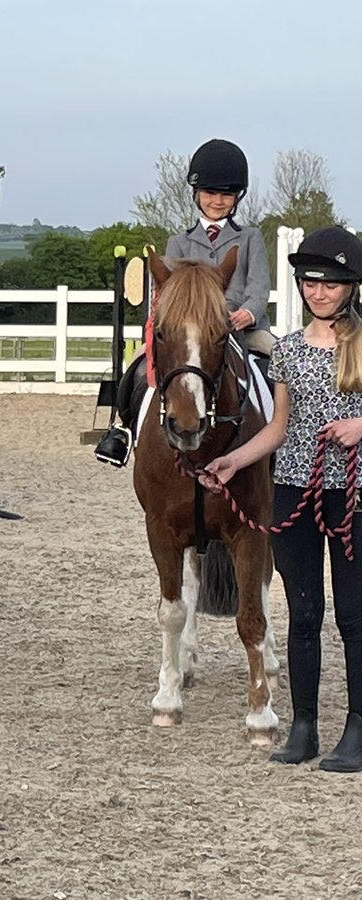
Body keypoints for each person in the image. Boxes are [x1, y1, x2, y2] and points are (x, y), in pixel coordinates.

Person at [199, 226, 362, 772]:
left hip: (353, 495)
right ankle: (305, 724)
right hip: (294, 490)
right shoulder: (288, 351)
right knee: (304, 613)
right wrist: (236, 460)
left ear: (351, 287)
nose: (320, 292)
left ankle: (357, 729)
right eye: (311, 282)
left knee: (354, 616)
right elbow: (278, 427)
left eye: (332, 283)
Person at [94, 138, 276, 466]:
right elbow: (167, 293)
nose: (217, 201)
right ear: (196, 195)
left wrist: (246, 314)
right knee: (137, 363)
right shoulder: (179, 243)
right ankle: (122, 429)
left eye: (225, 194)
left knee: (278, 363)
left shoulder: (250, 238)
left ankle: (280, 437)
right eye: (210, 193)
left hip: (241, 326)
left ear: (237, 198)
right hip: (190, 329)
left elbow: (260, 288)